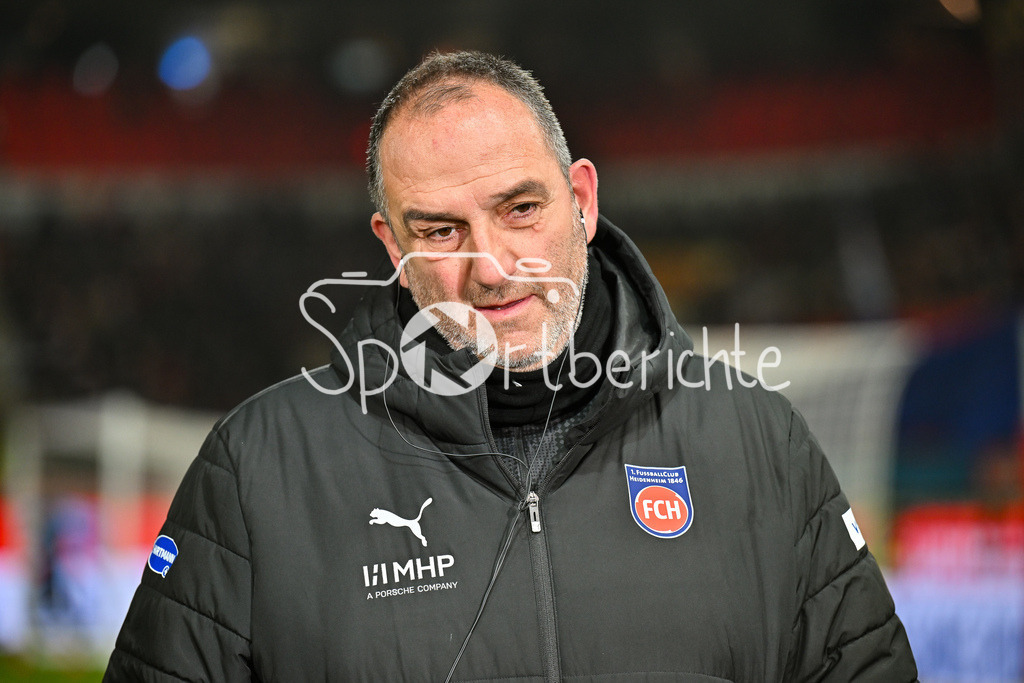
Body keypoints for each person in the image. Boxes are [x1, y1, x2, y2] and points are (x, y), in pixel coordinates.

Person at [105, 50, 918, 682]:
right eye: (441, 230)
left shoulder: (760, 443)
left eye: (520, 209)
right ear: (392, 248)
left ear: (583, 202)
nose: (491, 268)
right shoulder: (258, 468)